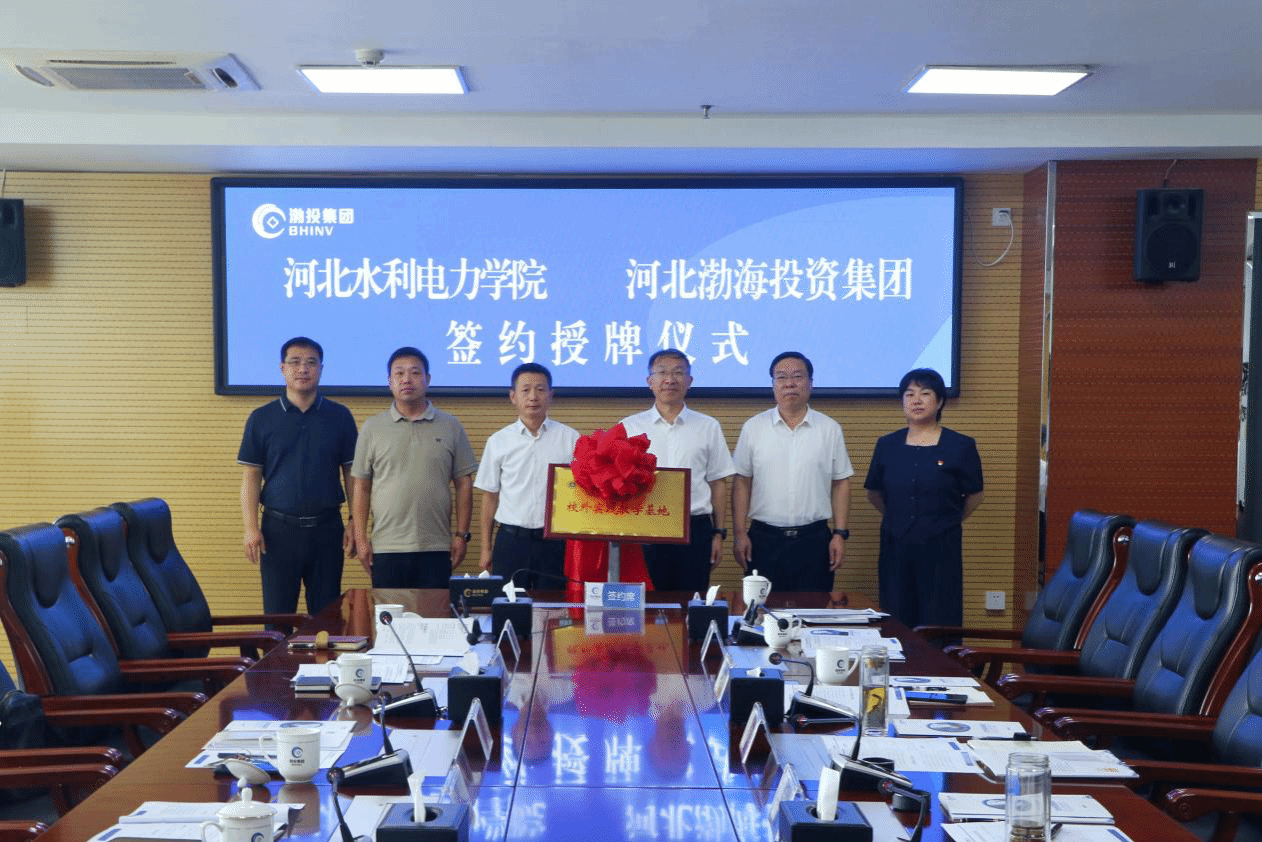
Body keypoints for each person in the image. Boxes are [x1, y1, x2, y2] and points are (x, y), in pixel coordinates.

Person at [237, 336, 358, 615]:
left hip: (327, 529)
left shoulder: (339, 416)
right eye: (295, 362)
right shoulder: (261, 418)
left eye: (311, 363)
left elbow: (352, 474)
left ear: (321, 369)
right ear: (282, 368)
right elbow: (251, 477)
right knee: (278, 617)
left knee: (326, 616)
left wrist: (355, 521)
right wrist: (251, 528)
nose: (303, 369)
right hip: (278, 531)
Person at [864, 367, 984, 628]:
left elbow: (975, 494)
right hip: (895, 542)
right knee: (896, 613)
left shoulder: (960, 445)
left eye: (925, 393)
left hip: (941, 543)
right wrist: (899, 516)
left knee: (940, 615)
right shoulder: (887, 445)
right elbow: (874, 492)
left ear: (939, 401)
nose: (916, 400)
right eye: (909, 394)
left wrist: (948, 519)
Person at [351, 347, 477, 588]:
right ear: (389, 382)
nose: (407, 379)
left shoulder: (450, 426)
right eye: (399, 373)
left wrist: (461, 535)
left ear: (427, 379)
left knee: (435, 612)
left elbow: (464, 484)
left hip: (436, 547)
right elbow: (362, 486)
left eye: (415, 373)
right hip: (386, 547)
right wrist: (360, 538)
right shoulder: (373, 427)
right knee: (388, 612)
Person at [731, 351, 853, 592]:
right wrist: (739, 533)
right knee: (762, 610)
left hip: (814, 540)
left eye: (798, 376)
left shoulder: (829, 429)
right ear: (773, 385)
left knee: (813, 609)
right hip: (763, 540)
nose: (789, 383)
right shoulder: (753, 427)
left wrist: (839, 534)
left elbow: (841, 482)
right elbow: (742, 481)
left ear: (811, 383)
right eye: (781, 377)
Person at [621, 349, 735, 593]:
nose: (670, 380)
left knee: (691, 602)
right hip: (645, 527)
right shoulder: (629, 427)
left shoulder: (708, 426)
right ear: (649, 381)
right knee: (646, 603)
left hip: (695, 529)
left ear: (689, 381)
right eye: (662, 372)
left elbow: (718, 483)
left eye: (678, 373)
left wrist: (718, 534)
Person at [474, 362, 580, 589]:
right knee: (508, 606)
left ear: (550, 395)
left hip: (554, 543)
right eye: (525, 390)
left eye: (540, 389)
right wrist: (485, 548)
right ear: (513, 396)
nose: (533, 396)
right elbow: (490, 497)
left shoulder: (570, 439)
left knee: (554, 606)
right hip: (511, 541)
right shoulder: (498, 441)